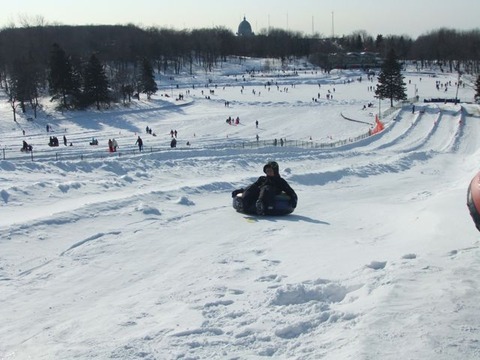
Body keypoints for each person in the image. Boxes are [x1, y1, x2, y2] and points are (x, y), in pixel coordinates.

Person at [232, 161, 297, 215]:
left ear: (275, 171)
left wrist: (294, 199)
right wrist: (241, 191)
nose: (268, 172)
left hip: (269, 195)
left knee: (266, 188)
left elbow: (289, 190)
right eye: (267, 171)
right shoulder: (262, 179)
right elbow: (253, 186)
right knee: (253, 187)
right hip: (259, 193)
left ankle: (260, 204)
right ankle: (243, 202)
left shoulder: (280, 181)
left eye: (270, 171)